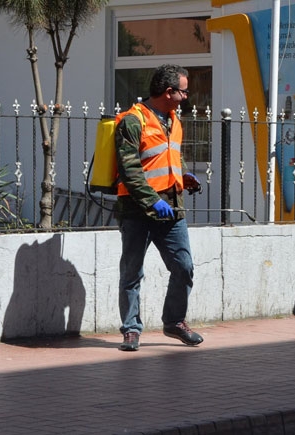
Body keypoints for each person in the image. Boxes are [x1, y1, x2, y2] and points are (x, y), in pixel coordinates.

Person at [115, 64, 204, 351]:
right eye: (184, 91)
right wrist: (153, 200)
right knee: (132, 272)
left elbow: (171, 156)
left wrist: (184, 175)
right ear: (169, 92)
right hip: (136, 211)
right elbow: (129, 171)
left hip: (172, 210)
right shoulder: (132, 121)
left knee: (184, 267)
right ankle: (131, 330)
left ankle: (174, 322)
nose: (187, 96)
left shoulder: (174, 120)